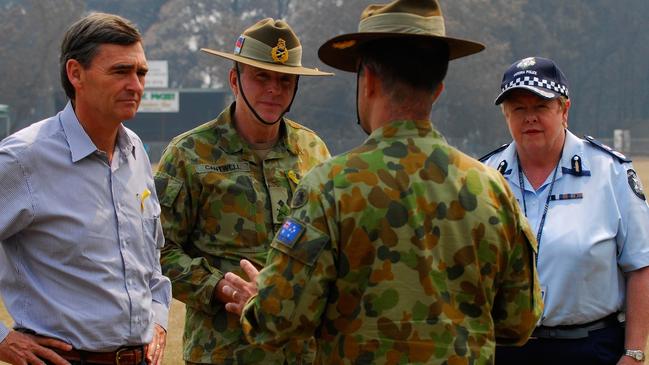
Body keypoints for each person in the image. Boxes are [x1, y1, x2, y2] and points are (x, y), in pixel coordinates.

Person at [219, 1, 543, 364]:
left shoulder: (329, 187)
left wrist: (254, 304)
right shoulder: (492, 189)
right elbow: (520, 322)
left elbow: (278, 321)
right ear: (437, 89)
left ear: (368, 80)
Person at [154, 18, 332, 364]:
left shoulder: (313, 151)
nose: (273, 90)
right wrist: (220, 287)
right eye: (261, 77)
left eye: (285, 80)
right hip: (224, 352)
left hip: (301, 353)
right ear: (235, 80)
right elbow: (157, 250)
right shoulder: (189, 153)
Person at [0, 12, 171, 365]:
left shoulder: (135, 151)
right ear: (75, 73)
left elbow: (149, 260)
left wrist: (158, 317)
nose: (136, 85)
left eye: (140, 73)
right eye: (120, 71)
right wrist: (3, 340)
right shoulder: (23, 159)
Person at [480, 56, 649, 364]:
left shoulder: (609, 172)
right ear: (506, 115)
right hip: (504, 351)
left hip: (589, 348)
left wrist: (634, 353)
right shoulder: (483, 177)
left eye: (541, 107)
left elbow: (640, 266)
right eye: (519, 108)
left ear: (564, 110)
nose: (529, 118)